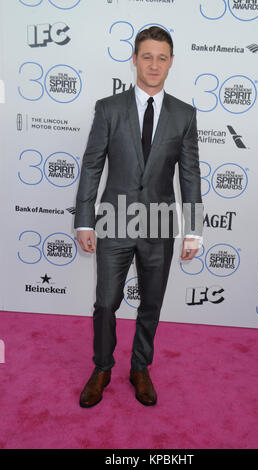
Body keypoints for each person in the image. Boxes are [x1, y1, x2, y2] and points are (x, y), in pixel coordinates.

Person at [74, 26, 203, 408]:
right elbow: (92, 165)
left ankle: (140, 367)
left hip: (161, 222)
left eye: (162, 58)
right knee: (106, 302)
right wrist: (84, 220)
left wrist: (193, 230)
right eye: (146, 56)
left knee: (151, 302)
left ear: (171, 63)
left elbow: (190, 174)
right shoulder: (108, 108)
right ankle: (102, 367)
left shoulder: (184, 114)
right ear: (134, 59)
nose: (153, 64)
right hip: (114, 218)